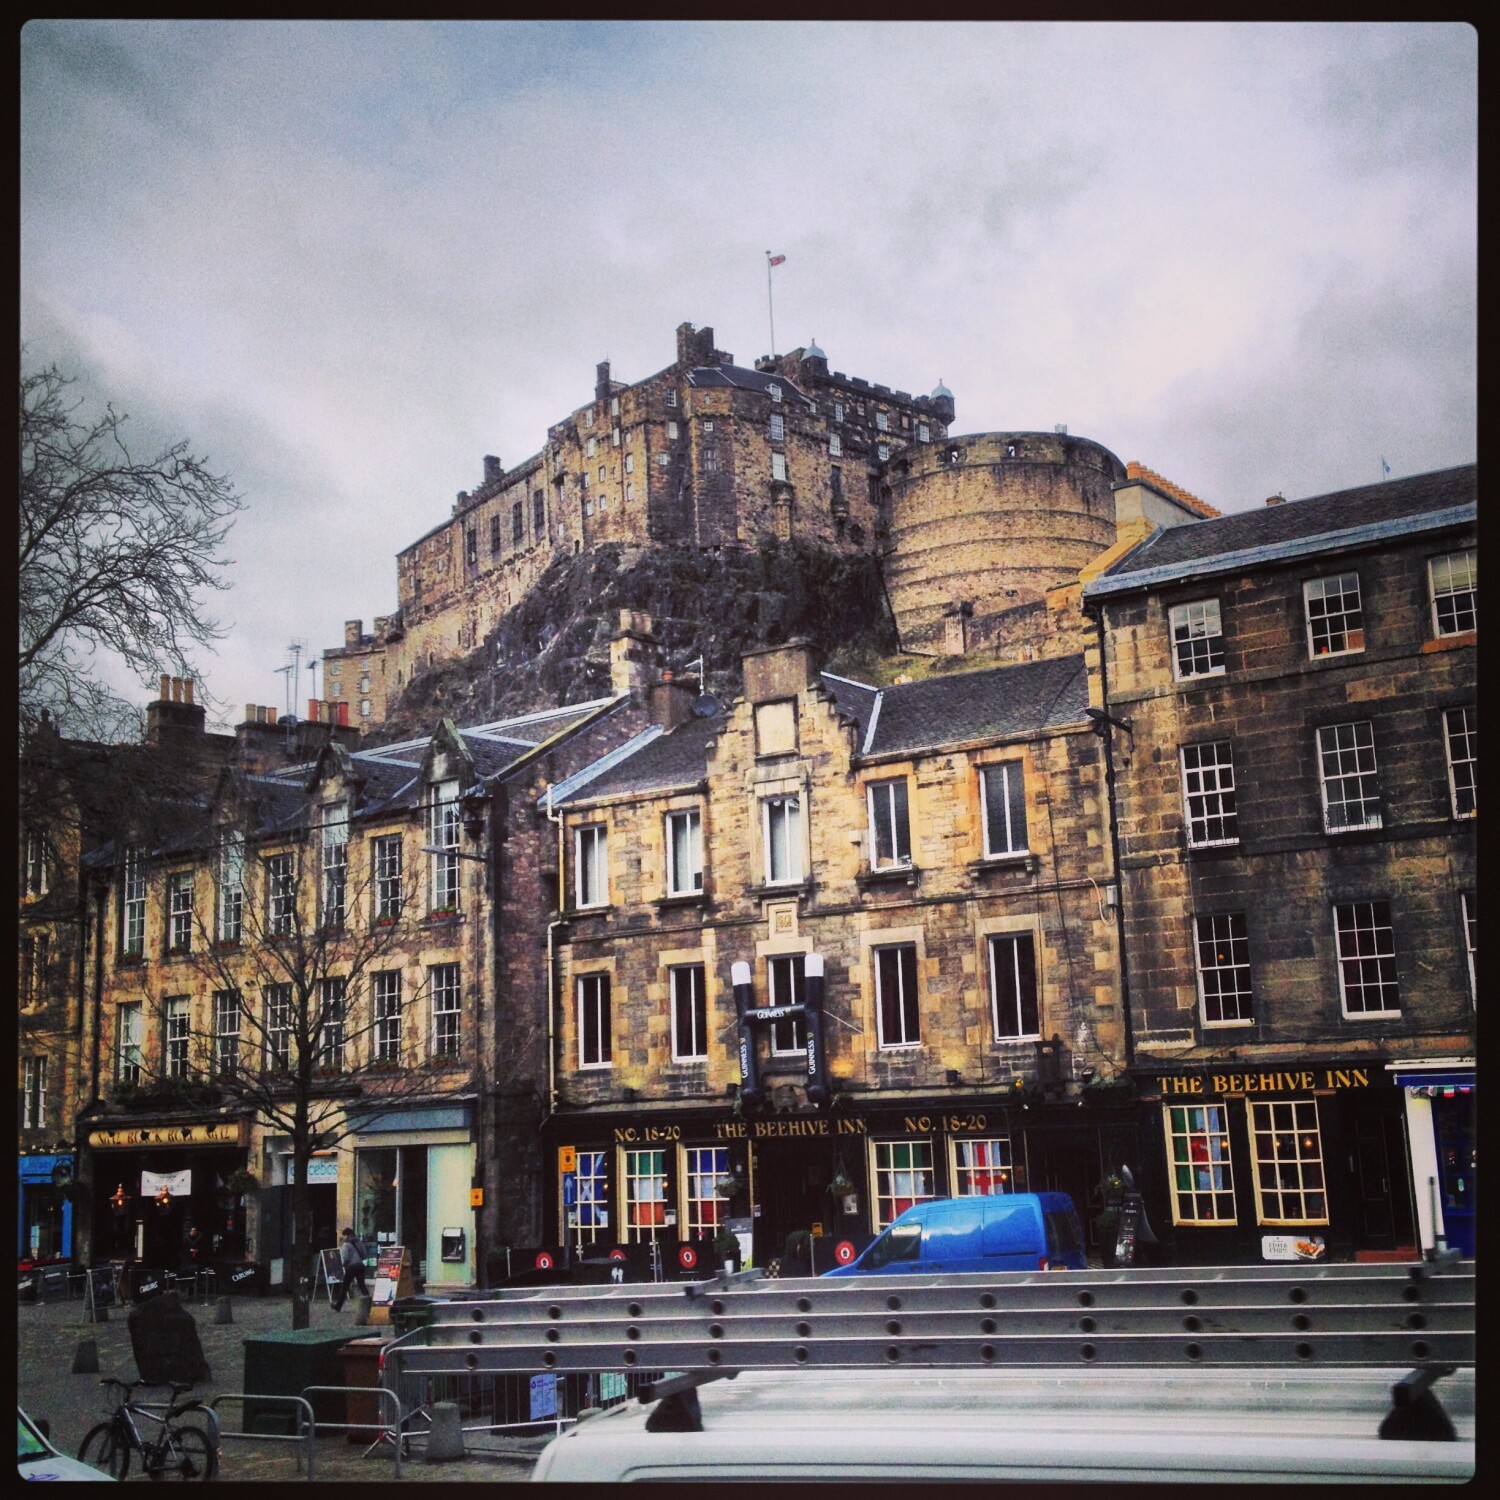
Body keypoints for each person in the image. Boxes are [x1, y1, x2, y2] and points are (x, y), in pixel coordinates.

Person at [332, 1228, 368, 1311]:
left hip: (351, 1267)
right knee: (362, 1286)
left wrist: (343, 1265)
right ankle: (369, 1303)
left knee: (344, 1287)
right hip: (360, 1265)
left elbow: (345, 1258)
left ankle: (338, 1306)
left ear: (346, 1236)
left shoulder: (346, 1245)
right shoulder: (359, 1242)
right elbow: (364, 1253)